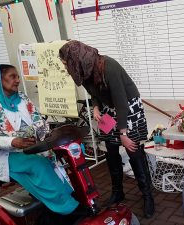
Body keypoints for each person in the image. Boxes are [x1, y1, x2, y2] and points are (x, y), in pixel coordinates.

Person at [59, 40, 155, 218]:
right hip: (107, 109)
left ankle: (147, 195)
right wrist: (95, 107)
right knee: (110, 150)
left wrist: (123, 133)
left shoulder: (109, 66)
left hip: (128, 107)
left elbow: (121, 103)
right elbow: (93, 92)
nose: (66, 67)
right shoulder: (84, 69)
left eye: (66, 63)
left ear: (76, 58)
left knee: (133, 151)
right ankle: (118, 191)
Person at [0, 64, 89, 225]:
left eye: (17, 76)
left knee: (57, 162)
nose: (17, 80)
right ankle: (68, 209)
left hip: (31, 148)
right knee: (38, 165)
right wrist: (13, 142)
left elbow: (39, 122)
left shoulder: (22, 98)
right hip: (3, 154)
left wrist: (51, 137)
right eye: (13, 76)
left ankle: (61, 205)